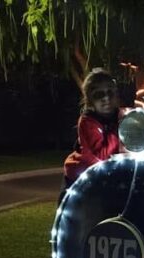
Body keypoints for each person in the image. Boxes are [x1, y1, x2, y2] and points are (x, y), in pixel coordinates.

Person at [61, 68, 122, 202]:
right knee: (71, 216)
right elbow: (103, 154)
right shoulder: (88, 121)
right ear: (90, 99)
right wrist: (121, 129)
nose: (106, 98)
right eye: (99, 94)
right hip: (84, 174)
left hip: (111, 173)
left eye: (110, 93)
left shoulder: (121, 115)